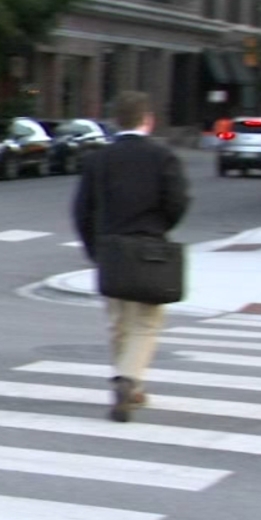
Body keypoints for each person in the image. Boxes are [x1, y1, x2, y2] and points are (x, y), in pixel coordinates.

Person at [72, 90, 191, 423]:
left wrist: (94, 248)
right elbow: (178, 201)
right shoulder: (163, 157)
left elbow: (82, 210)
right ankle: (128, 379)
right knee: (146, 323)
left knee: (118, 322)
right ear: (147, 120)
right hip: (149, 247)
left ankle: (129, 383)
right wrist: (159, 226)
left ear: (116, 121)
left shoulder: (98, 160)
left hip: (111, 248)